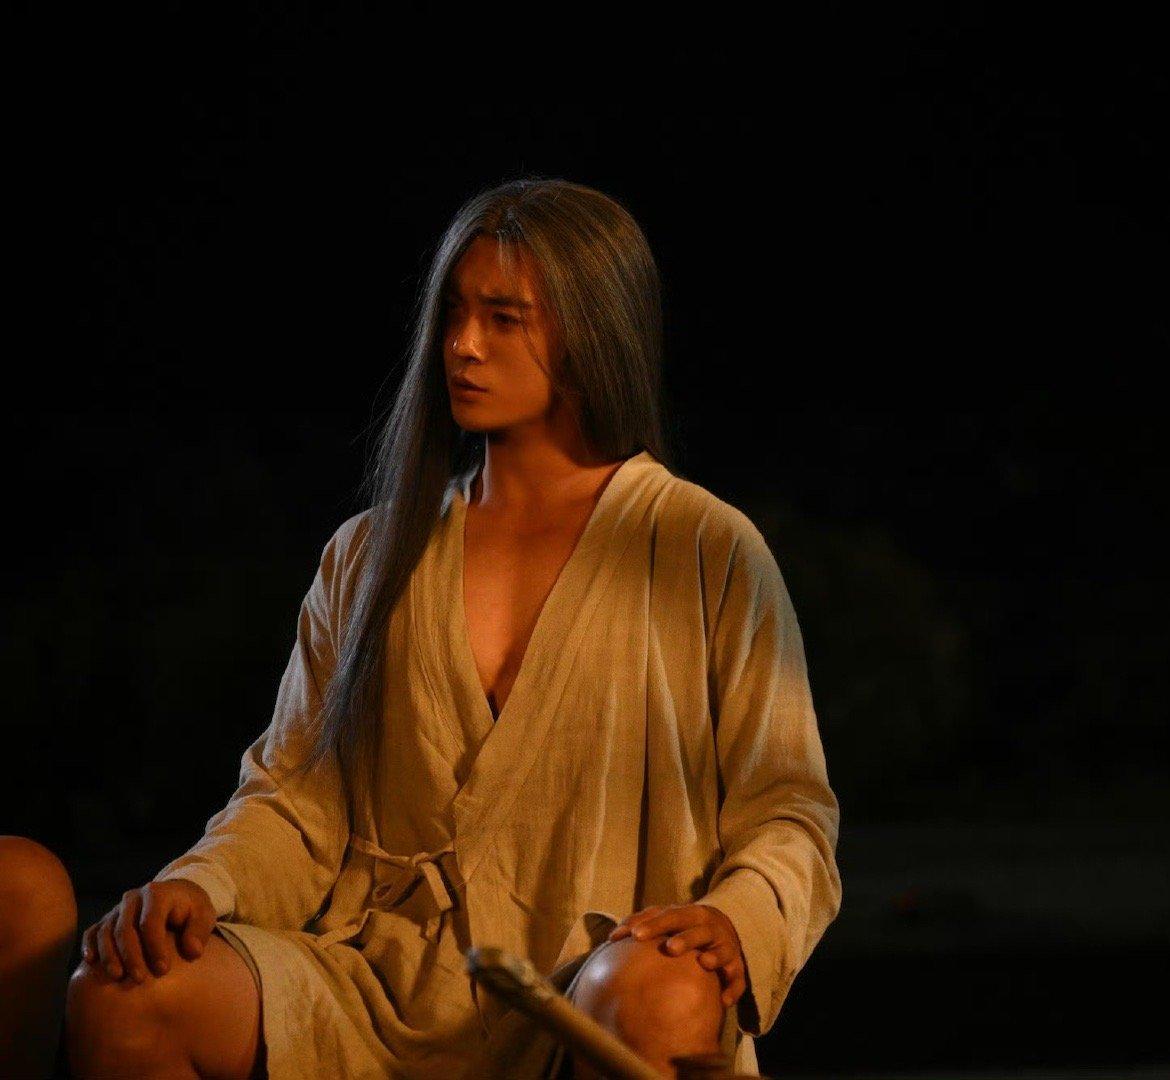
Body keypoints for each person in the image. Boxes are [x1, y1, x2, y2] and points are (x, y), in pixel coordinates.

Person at [44, 177, 841, 1078]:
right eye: (454, 312)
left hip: (594, 984)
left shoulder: (703, 548)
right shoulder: (370, 554)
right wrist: (200, 881)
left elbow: (787, 808)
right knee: (125, 995)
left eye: (504, 318)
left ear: (593, 329)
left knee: (658, 993)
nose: (461, 344)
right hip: (373, 990)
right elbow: (295, 800)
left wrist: (737, 916)